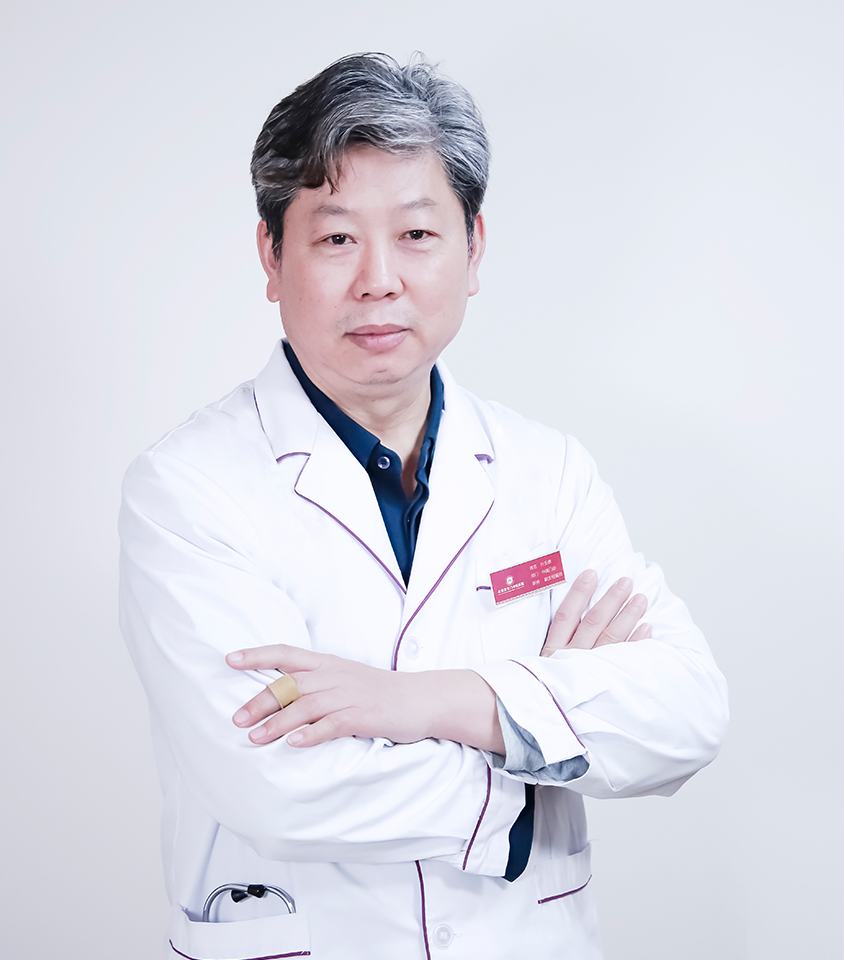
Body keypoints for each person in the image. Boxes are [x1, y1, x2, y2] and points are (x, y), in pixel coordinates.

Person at [119, 53, 728, 960]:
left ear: (473, 249)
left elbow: (684, 712)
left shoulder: (547, 472)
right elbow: (283, 791)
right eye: (336, 239)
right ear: (272, 255)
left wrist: (421, 702)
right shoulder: (188, 488)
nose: (378, 280)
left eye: (415, 234)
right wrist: (540, 750)